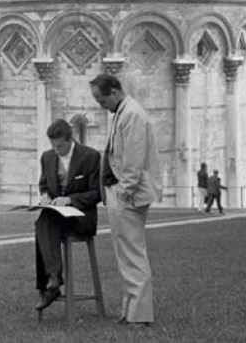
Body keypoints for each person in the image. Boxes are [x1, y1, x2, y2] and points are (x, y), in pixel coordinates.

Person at [91, 74, 160, 327]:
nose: (101, 105)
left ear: (115, 92)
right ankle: (131, 310)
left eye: (101, 100)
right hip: (122, 193)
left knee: (132, 254)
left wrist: (123, 192)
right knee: (126, 254)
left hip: (128, 195)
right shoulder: (123, 112)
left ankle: (139, 315)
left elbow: (133, 160)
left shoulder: (132, 115)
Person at [32, 119, 102, 312]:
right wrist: (45, 196)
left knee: (43, 226)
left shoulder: (91, 156)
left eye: (60, 145)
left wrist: (70, 200)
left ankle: (51, 283)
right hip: (56, 216)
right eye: (52, 145)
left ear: (70, 140)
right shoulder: (47, 157)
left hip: (81, 217)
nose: (56, 149)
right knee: (43, 220)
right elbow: (44, 185)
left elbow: (97, 193)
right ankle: (53, 281)